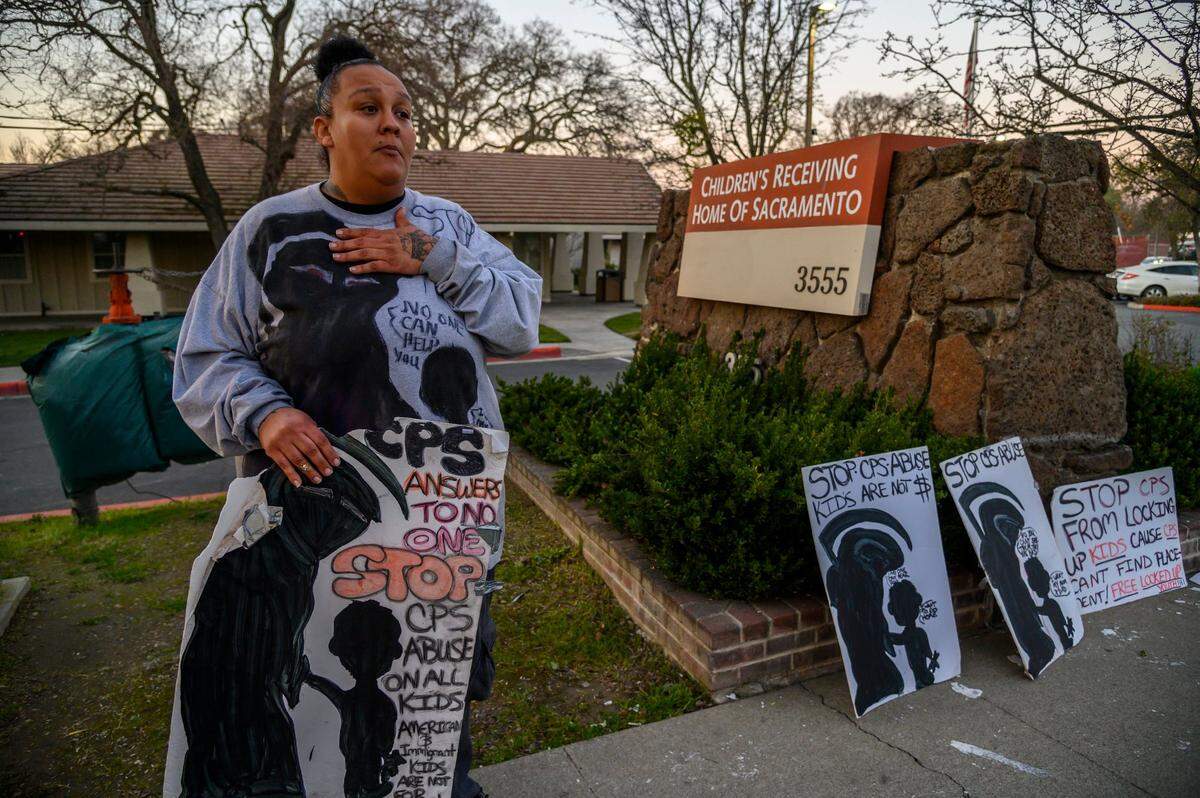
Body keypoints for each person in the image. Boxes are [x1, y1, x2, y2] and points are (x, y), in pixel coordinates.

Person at [173, 34, 541, 798]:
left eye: (404, 112)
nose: (392, 125)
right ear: (323, 128)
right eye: (367, 108)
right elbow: (204, 357)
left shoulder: (451, 225)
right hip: (310, 539)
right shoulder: (269, 231)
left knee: (433, 727)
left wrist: (433, 257)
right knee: (318, 711)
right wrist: (266, 415)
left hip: (445, 530)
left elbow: (520, 321)